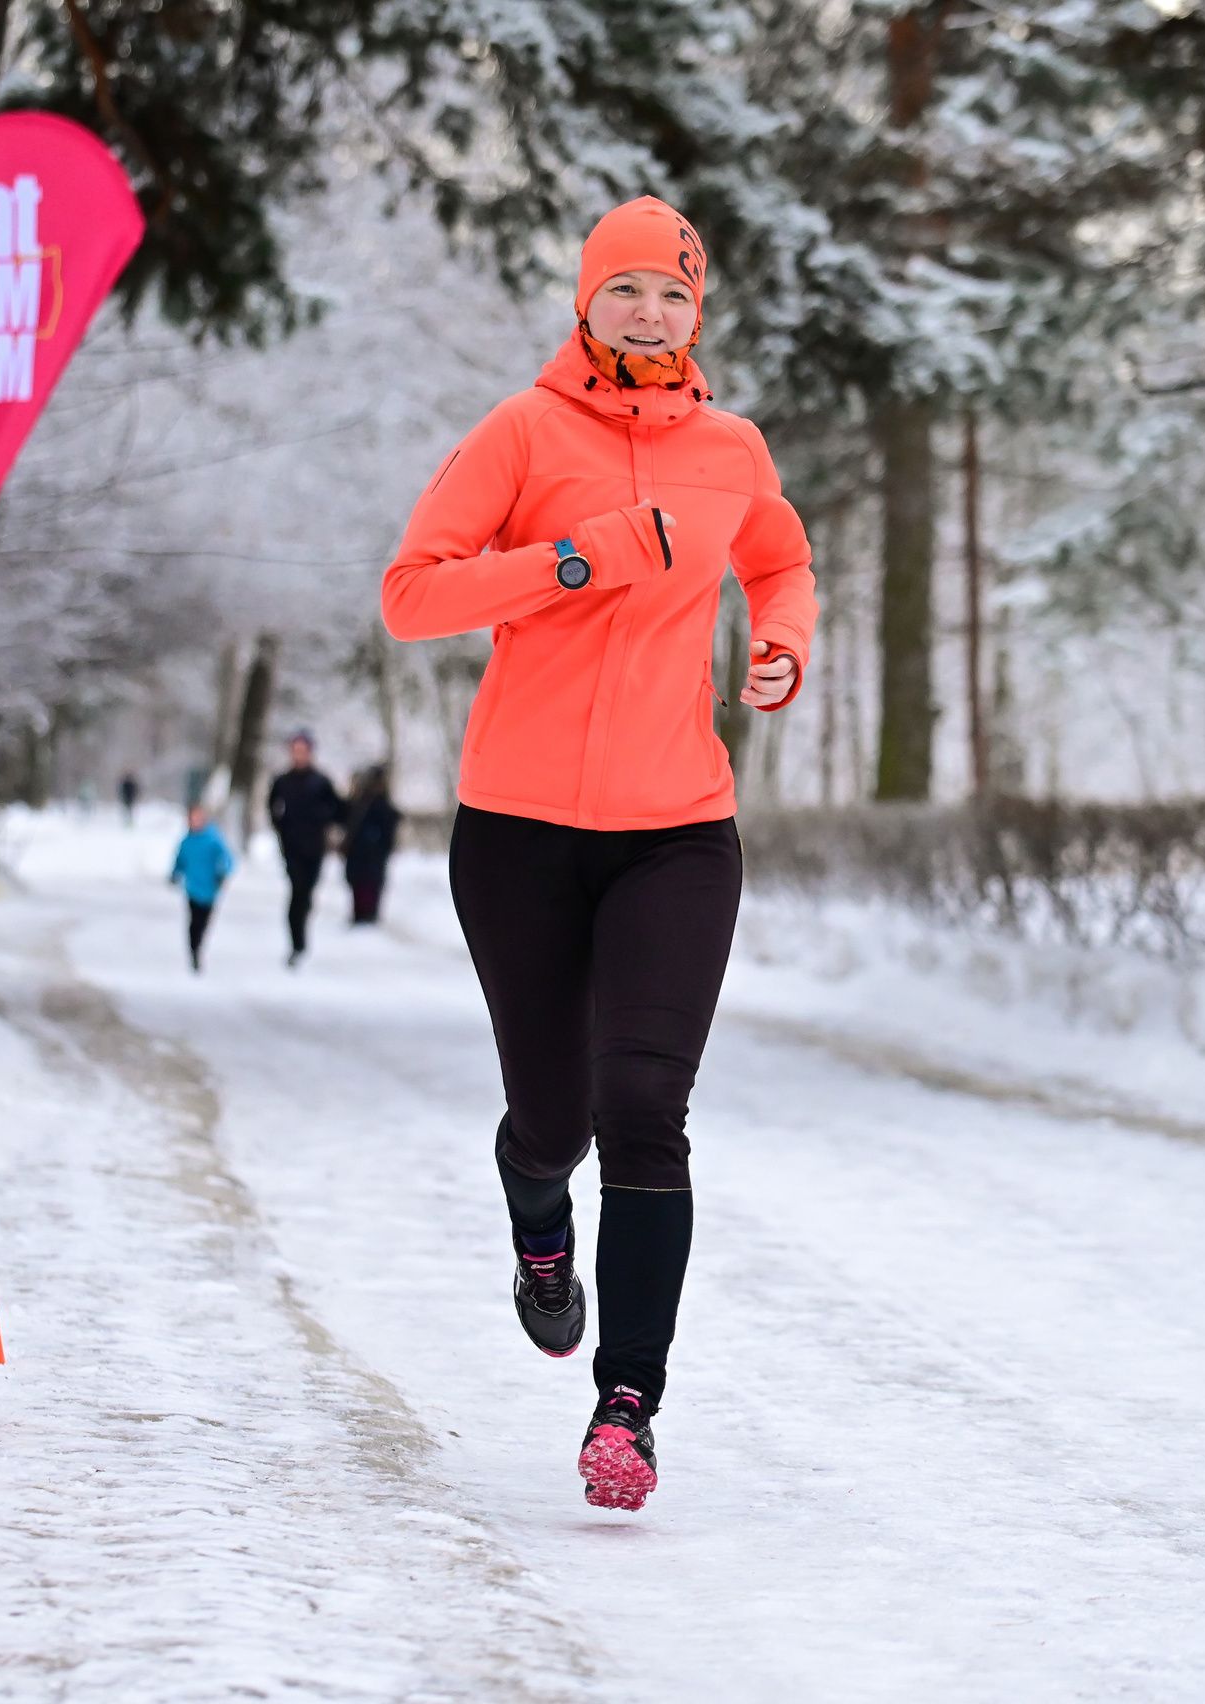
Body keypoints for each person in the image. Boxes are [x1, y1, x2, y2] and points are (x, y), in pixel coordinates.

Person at [379, 195, 815, 1511]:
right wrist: (580, 561)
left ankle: (627, 1406)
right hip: (516, 833)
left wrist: (785, 641)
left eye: (673, 298)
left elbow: (779, 560)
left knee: (645, 1108)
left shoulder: (732, 448)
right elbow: (415, 594)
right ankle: (535, 1209)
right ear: (587, 303)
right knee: (555, 1116)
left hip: (676, 832)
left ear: (698, 320)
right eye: (626, 291)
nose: (649, 314)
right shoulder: (523, 429)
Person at [265, 730, 340, 966]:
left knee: (306, 893)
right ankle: (297, 942)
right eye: (295, 750)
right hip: (292, 847)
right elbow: (272, 807)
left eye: (303, 750)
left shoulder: (321, 782)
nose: (299, 755)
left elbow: (338, 810)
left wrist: (323, 819)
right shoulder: (282, 781)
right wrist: (282, 827)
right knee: (297, 891)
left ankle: (300, 934)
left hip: (315, 847)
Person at [167, 805, 234, 971]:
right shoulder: (186, 841)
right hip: (192, 888)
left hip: (210, 889)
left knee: (204, 921)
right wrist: (175, 874)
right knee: (194, 921)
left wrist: (223, 873)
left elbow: (227, 858)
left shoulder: (213, 839)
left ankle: (199, 945)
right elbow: (180, 860)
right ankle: (194, 950)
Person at [340, 766, 402, 925]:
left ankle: (367, 917)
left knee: (369, 886)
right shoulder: (359, 804)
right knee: (361, 886)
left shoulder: (378, 806)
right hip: (361, 856)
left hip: (372, 856)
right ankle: (362, 917)